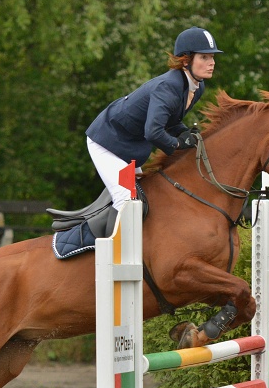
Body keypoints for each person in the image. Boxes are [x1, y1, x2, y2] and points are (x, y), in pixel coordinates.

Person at [85, 26, 223, 235]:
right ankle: (111, 257)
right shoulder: (168, 86)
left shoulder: (197, 86)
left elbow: (171, 121)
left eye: (212, 57)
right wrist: (177, 144)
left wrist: (186, 133)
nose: (211, 62)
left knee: (147, 198)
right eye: (204, 57)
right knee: (126, 198)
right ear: (186, 60)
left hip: (132, 144)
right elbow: (153, 132)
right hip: (108, 141)